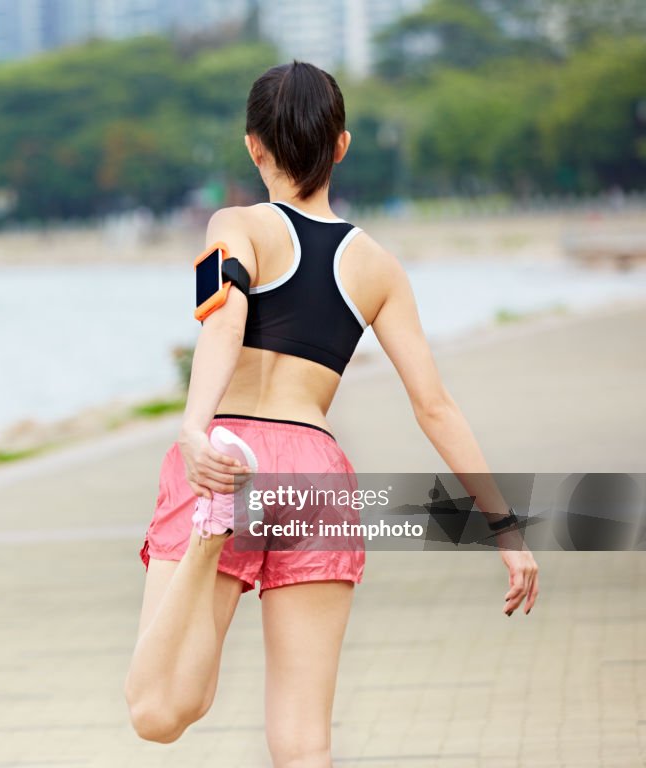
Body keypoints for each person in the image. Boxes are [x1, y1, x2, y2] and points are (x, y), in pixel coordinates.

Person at [123, 60, 540, 768]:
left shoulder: (235, 223)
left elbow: (222, 323)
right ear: (341, 145)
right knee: (305, 743)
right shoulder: (378, 266)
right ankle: (211, 529)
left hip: (229, 458)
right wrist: (506, 530)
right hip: (316, 474)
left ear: (253, 146)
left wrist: (196, 431)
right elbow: (434, 406)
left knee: (159, 712)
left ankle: (207, 539)